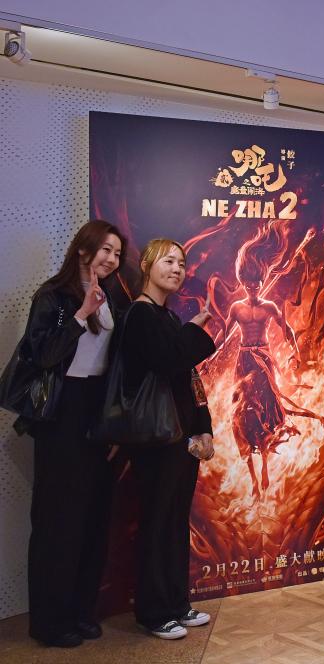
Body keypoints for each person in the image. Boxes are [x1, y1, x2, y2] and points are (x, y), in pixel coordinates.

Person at [5, 220, 126, 648]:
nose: (111, 259)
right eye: (105, 250)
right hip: (62, 413)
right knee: (58, 521)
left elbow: (114, 365)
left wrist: (114, 423)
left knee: (93, 518)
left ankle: (80, 611)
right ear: (83, 250)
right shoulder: (52, 296)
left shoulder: (113, 296)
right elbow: (42, 354)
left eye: (117, 253)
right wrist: (80, 315)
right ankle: (50, 621)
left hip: (97, 409)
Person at [120, 238, 216, 640]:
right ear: (146, 264)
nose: (177, 269)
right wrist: (194, 330)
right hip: (155, 439)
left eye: (181, 263)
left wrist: (204, 425)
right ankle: (153, 611)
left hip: (181, 437)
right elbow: (166, 361)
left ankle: (177, 603)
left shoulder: (168, 316)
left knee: (176, 521)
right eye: (168, 261)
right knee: (157, 522)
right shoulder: (139, 315)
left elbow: (188, 378)